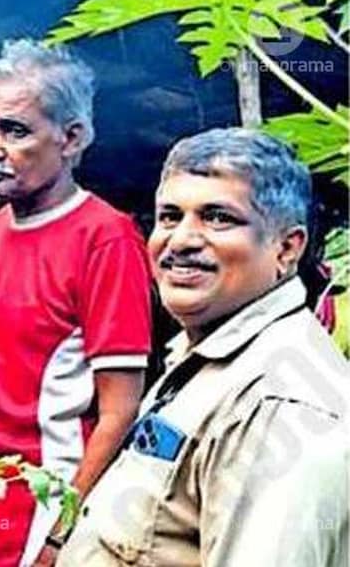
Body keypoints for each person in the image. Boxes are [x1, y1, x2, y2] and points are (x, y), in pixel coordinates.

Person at [58, 128, 350, 566]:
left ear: (287, 248)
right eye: (170, 217)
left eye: (218, 218)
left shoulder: (280, 404)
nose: (180, 240)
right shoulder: (207, 357)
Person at [0, 39, 152, 567]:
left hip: (35, 516)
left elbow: (120, 410)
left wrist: (60, 535)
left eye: (14, 130)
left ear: (72, 138)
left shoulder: (106, 238)